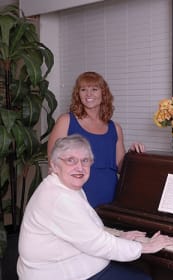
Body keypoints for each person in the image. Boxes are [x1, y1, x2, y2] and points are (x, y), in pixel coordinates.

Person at [17, 134, 173, 280]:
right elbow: (97, 243)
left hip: (52, 274)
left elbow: (84, 234)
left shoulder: (62, 187)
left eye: (85, 160)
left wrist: (119, 239)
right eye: (71, 160)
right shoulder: (60, 198)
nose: (79, 167)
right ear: (54, 166)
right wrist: (147, 246)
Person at [47, 71, 145, 208]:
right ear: (78, 94)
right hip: (75, 196)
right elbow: (52, 162)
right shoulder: (66, 121)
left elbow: (121, 167)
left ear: (103, 93)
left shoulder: (115, 128)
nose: (88, 94)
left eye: (94, 89)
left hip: (109, 197)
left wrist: (132, 153)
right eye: (83, 90)